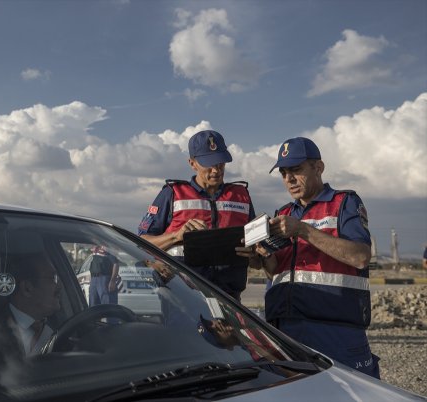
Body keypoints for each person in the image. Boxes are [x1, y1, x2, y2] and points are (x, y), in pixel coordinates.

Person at [238, 137, 380, 378]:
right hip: (285, 331)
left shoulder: (344, 203)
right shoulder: (282, 213)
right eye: (283, 173)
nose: (289, 179)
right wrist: (260, 257)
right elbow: (276, 273)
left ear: (318, 168)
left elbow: (360, 257)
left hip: (335, 331)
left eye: (296, 170)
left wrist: (303, 230)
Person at [138, 130, 255, 301]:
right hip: (181, 299)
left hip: (229, 299)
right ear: (192, 163)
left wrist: (254, 251)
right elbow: (141, 243)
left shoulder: (241, 196)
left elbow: (256, 246)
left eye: (221, 163)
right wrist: (175, 237)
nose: (216, 170)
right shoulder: (172, 194)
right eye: (209, 164)